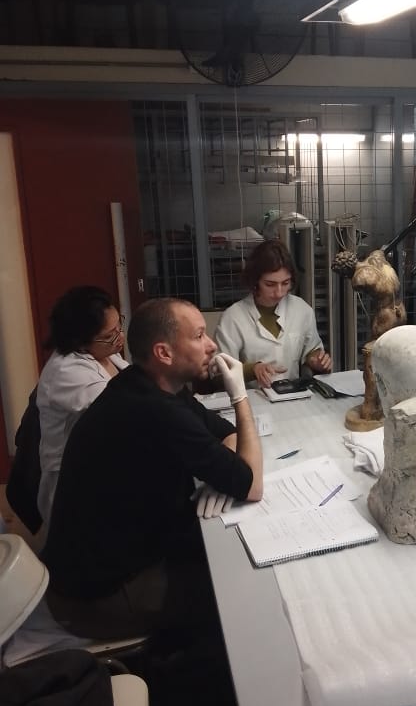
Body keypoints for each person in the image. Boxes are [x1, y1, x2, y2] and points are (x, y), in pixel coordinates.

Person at [42, 297, 263, 640]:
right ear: (164, 353)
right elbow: (252, 486)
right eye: (199, 336)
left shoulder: (151, 383)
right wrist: (240, 397)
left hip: (124, 560)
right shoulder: (154, 410)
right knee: (242, 591)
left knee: (222, 555)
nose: (211, 345)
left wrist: (227, 471)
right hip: (96, 598)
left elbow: (227, 433)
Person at [36, 286, 129, 532]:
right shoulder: (66, 371)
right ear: (80, 340)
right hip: (73, 482)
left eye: (119, 326)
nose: (120, 337)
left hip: (104, 461)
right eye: (110, 335)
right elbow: (126, 408)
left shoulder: (107, 355)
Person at [215, 239, 331, 388]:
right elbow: (219, 372)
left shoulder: (302, 310)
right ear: (255, 281)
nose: (279, 292)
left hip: (292, 393)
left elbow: (311, 350)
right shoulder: (233, 318)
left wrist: (316, 360)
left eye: (285, 283)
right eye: (270, 284)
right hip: (250, 397)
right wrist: (253, 369)